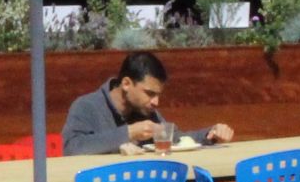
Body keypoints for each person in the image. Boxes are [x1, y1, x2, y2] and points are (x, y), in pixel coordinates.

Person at [59, 51, 235, 156]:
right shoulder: (87, 106)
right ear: (126, 84)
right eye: (150, 93)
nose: (156, 102)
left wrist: (210, 134)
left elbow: (175, 140)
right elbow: (72, 148)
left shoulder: (146, 112)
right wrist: (128, 133)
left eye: (158, 95)